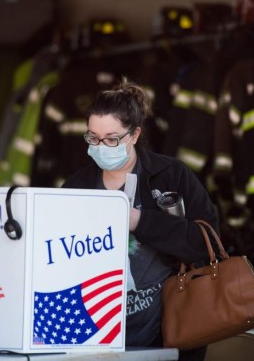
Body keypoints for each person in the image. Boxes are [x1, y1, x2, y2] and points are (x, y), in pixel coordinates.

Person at [62, 77, 220, 360]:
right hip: (96, 336)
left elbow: (204, 241)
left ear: (134, 135)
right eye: (93, 137)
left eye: (112, 139)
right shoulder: (77, 186)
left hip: (167, 333)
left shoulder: (171, 174)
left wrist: (139, 221)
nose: (101, 146)